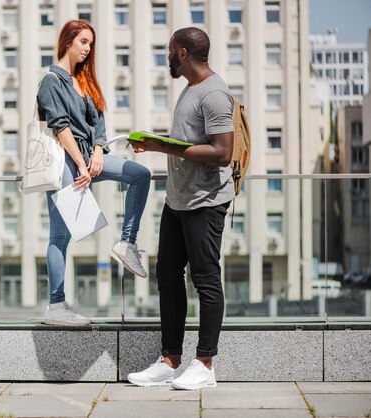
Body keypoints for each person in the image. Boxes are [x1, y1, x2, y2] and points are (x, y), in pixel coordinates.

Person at [127, 27, 234, 390]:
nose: (168, 56)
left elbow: (223, 153)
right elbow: (190, 141)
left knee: (205, 280)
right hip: (178, 200)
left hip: (205, 202)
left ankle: (205, 364)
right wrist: (158, 142)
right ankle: (170, 360)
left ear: (184, 53)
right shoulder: (190, 90)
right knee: (167, 276)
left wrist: (162, 147)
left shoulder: (215, 94)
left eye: (171, 50)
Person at [37, 20, 151, 326]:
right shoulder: (51, 81)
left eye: (90, 44)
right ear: (67, 41)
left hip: (91, 159)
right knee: (60, 236)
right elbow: (60, 127)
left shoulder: (86, 82)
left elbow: (99, 125)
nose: (87, 48)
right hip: (65, 163)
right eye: (83, 42)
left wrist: (98, 152)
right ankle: (56, 306)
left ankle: (127, 243)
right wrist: (81, 164)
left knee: (140, 175)